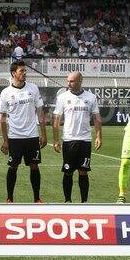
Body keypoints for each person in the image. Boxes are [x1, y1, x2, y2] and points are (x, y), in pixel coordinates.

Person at [0, 60, 47, 203]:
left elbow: (40, 112)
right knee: (13, 166)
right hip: (15, 137)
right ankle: (9, 198)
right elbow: (1, 118)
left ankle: (37, 198)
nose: (25, 73)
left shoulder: (33, 88)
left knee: (34, 166)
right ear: (14, 73)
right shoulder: (6, 92)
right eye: (22, 71)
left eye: (25, 71)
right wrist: (5, 140)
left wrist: (44, 134)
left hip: (32, 136)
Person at [52, 72, 102, 203]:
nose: (68, 83)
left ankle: (84, 202)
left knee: (83, 172)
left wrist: (98, 136)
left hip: (85, 140)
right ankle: (67, 201)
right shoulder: (62, 97)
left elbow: (96, 118)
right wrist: (56, 140)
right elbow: (56, 119)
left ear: (80, 81)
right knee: (67, 171)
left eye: (72, 81)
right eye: (68, 81)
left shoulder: (91, 97)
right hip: (69, 140)